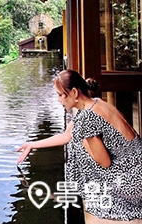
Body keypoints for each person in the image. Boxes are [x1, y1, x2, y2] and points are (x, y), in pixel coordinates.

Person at [17, 69, 142, 222]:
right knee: (76, 136)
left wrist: (82, 139)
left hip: (133, 183)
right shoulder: (96, 102)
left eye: (60, 94)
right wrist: (32, 145)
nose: (58, 100)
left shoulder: (86, 119)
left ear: (74, 92)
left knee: (78, 142)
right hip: (137, 169)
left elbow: (104, 162)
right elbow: (65, 136)